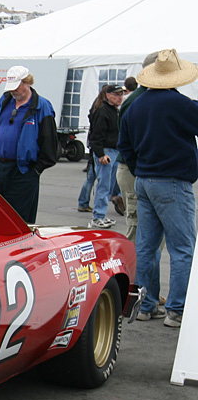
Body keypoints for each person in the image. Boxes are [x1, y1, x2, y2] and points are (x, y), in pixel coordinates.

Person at [118, 48, 198, 328]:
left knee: (146, 246)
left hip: (144, 180)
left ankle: (144, 305)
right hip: (172, 181)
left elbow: (124, 145)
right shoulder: (181, 104)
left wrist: (141, 169)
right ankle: (176, 309)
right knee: (183, 248)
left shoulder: (134, 104)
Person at [0, 66, 59, 223]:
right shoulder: (4, 102)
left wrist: (36, 170)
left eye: (16, 87)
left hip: (23, 171)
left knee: (18, 220)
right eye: (11, 88)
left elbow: (50, 142)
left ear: (27, 83)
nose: (13, 92)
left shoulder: (41, 106)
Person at [117, 52, 160, 242]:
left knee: (150, 231)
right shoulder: (137, 101)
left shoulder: (148, 97)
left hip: (140, 169)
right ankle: (135, 271)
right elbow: (127, 143)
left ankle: (145, 271)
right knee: (139, 229)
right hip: (134, 170)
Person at [85, 84, 125, 228]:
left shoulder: (115, 112)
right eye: (117, 94)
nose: (120, 97)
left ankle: (102, 214)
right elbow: (96, 136)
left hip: (114, 151)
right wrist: (100, 154)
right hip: (106, 152)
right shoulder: (103, 112)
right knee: (103, 185)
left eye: (121, 94)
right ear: (108, 96)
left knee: (110, 185)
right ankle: (98, 216)